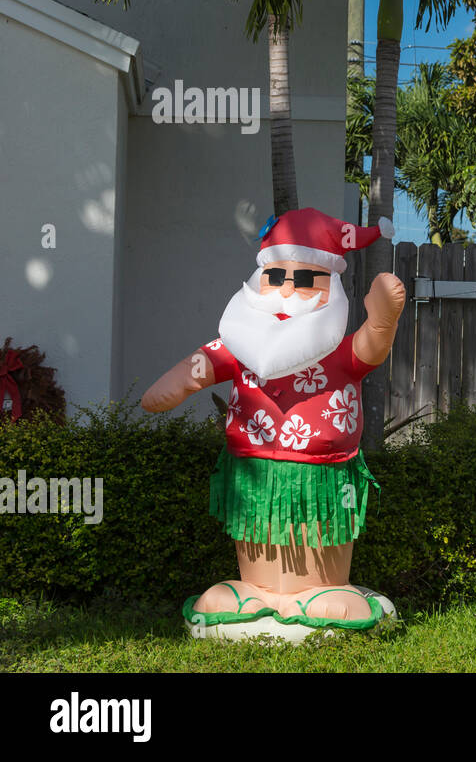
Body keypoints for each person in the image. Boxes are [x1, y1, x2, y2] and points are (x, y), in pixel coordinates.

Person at [142, 207, 404, 628]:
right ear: (259, 280)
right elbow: (205, 361)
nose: (286, 291)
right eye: (275, 279)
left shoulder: (335, 347)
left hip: (322, 473)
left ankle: (321, 588)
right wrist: (178, 383)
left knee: (315, 526)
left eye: (304, 281)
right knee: (258, 527)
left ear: (331, 285)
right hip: (252, 466)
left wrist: (382, 323)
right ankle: (256, 589)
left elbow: (368, 350)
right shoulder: (242, 341)